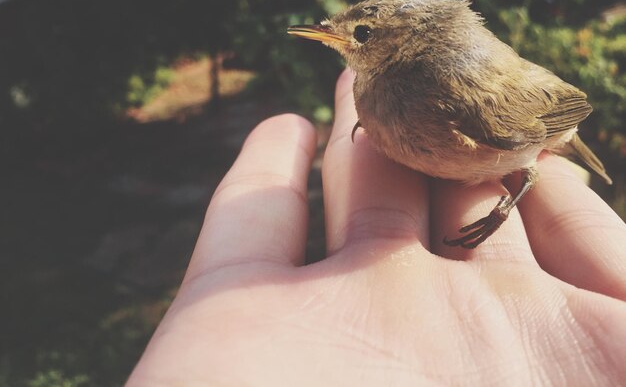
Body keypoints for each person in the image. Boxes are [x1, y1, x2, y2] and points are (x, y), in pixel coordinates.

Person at [128, 69, 626, 386]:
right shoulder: (380, 93)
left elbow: (562, 110)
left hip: (537, 126)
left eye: (363, 34)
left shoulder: (473, 100)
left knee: (530, 166)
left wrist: (501, 209)